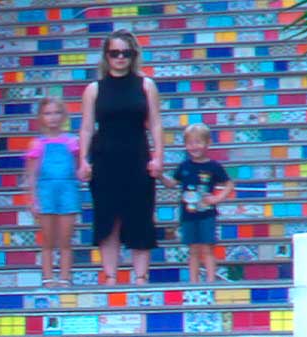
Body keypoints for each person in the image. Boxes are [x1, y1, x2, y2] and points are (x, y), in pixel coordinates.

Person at [77, 30, 164, 285]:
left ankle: (141, 277)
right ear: (106, 56)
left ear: (133, 55)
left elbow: (156, 124)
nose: (120, 58)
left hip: (137, 157)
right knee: (107, 218)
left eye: (126, 53)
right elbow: (85, 127)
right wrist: (83, 159)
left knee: (140, 215)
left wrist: (159, 156)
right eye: (115, 53)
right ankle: (111, 276)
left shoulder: (146, 85)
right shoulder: (94, 89)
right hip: (105, 159)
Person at [19, 97, 82, 286]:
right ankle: (47, 277)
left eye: (56, 113)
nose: (53, 118)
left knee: (65, 239)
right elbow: (31, 174)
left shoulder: (72, 141)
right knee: (47, 239)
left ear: (63, 116)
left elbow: (79, 169)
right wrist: (33, 200)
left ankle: (65, 277)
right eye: (48, 113)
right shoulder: (37, 144)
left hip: (68, 191)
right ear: (41, 117)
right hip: (45, 193)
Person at [164, 122, 235, 282]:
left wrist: (217, 198)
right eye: (190, 143)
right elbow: (172, 183)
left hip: (207, 214)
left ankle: (210, 281)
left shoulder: (213, 166)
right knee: (193, 250)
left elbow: (229, 184)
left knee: (207, 248)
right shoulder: (183, 166)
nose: (194, 146)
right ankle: (193, 282)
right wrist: (160, 175)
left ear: (208, 143)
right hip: (188, 215)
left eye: (198, 142)